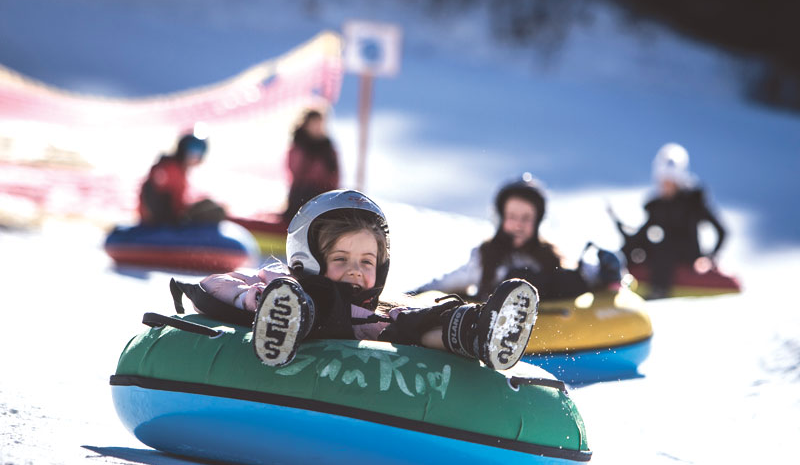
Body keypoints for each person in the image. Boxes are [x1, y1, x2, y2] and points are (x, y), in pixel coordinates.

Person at [171, 189, 539, 372]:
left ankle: (478, 331)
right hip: (302, 309)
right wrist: (257, 300)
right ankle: (284, 321)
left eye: (367, 261)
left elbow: (402, 324)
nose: (356, 270)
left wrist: (438, 318)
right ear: (308, 258)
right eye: (340, 259)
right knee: (313, 303)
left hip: (362, 328)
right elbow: (214, 285)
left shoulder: (374, 311)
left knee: (408, 320)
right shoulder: (278, 279)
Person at [414, 175, 622, 301]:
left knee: (562, 279)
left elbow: (583, 273)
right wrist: (418, 294)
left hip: (554, 328)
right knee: (517, 277)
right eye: (512, 217)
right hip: (504, 334)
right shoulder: (487, 257)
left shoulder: (548, 255)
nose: (519, 225)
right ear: (501, 218)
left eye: (526, 218)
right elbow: (453, 280)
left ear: (538, 221)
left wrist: (607, 270)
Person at [615, 143, 726, 298]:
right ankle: (614, 279)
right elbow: (641, 235)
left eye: (669, 181)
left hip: (687, 255)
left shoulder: (693, 201)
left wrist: (709, 258)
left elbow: (722, 231)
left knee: (663, 246)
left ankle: (659, 290)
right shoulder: (658, 205)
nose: (665, 186)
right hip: (662, 254)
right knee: (641, 247)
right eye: (662, 181)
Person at [138, 132, 225, 226]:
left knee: (211, 206)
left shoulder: (177, 169)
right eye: (197, 154)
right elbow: (152, 197)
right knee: (213, 210)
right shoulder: (168, 169)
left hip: (170, 218)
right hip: (162, 222)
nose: (199, 158)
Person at [282, 109, 340, 222]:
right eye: (314, 123)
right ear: (306, 124)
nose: (318, 127)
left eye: (320, 123)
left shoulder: (328, 148)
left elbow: (334, 175)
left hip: (324, 197)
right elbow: (296, 171)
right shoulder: (299, 145)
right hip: (301, 196)